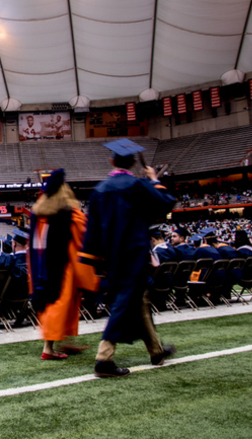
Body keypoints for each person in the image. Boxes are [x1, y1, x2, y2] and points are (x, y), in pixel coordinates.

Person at [80, 139, 177, 378]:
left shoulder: (100, 190)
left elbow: (91, 231)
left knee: (138, 300)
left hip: (111, 258)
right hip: (134, 254)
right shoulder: (137, 185)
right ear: (133, 162)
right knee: (125, 302)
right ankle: (104, 358)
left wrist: (92, 261)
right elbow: (167, 203)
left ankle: (156, 351)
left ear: (111, 161)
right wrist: (153, 180)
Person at [28, 170, 90, 360]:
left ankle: (63, 342)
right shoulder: (69, 214)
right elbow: (83, 237)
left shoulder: (37, 213)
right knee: (60, 304)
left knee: (53, 304)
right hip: (63, 266)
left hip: (41, 267)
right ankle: (49, 348)